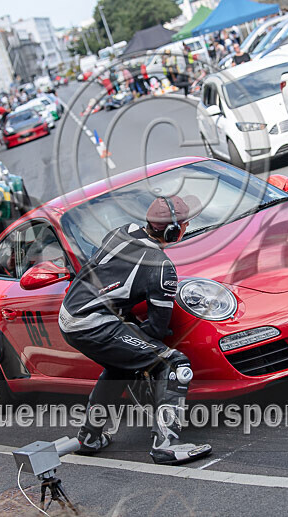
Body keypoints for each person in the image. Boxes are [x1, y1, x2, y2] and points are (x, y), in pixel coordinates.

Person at [59, 196, 212, 466]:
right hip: (94, 321)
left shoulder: (123, 231)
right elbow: (156, 327)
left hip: (71, 315)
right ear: (173, 231)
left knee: (121, 365)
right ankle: (166, 444)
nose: (187, 227)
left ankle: (89, 437)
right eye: (186, 224)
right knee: (173, 364)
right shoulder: (161, 266)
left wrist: (132, 335)